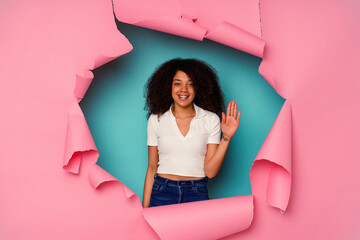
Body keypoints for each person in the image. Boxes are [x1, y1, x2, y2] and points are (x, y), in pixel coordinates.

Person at [142, 58, 241, 208]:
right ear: (168, 87)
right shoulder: (156, 119)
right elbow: (151, 168)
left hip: (197, 192)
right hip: (162, 191)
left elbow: (210, 172)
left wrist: (226, 137)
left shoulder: (211, 119)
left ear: (198, 87)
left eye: (190, 84)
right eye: (177, 83)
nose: (184, 89)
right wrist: (145, 210)